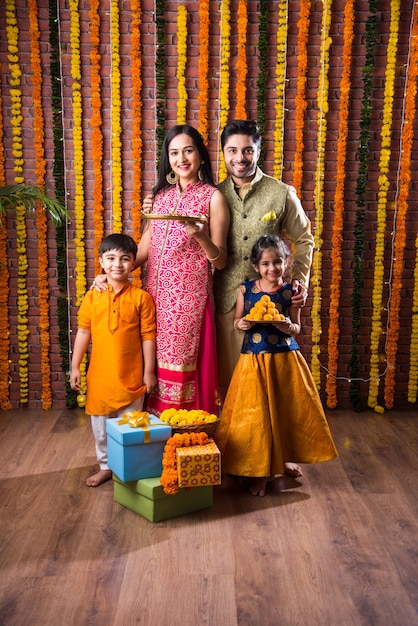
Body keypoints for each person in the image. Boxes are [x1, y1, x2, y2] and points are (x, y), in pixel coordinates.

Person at [95, 125, 230, 416]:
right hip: (152, 300)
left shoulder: (213, 198)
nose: (181, 158)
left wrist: (199, 235)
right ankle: (153, 444)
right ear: (167, 159)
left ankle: (184, 436)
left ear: (201, 156)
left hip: (188, 302)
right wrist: (110, 272)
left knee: (181, 368)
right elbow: (142, 252)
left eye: (188, 150)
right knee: (149, 366)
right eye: (174, 152)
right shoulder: (160, 198)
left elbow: (220, 261)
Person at [216, 234, 338, 497]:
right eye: (266, 264)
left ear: (286, 262)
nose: (272, 269)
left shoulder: (291, 292)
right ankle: (261, 472)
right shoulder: (245, 290)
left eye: (278, 262)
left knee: (284, 412)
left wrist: (287, 326)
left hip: (284, 360)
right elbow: (237, 320)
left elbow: (296, 327)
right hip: (253, 360)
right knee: (256, 416)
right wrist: (242, 324)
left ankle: (281, 461)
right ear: (255, 267)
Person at [213, 120, 315, 396]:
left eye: (247, 150)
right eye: (232, 150)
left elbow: (304, 238)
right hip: (225, 301)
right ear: (223, 153)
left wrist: (299, 283)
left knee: (268, 384)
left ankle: (267, 438)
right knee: (229, 381)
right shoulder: (213, 195)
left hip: (272, 304)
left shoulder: (281, 193)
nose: (239, 158)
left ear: (259, 151)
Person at [70, 234, 157, 487]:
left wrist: (148, 372)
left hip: (132, 376)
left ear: (133, 264)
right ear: (101, 262)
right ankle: (106, 466)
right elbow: (84, 331)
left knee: (130, 427)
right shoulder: (93, 296)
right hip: (100, 376)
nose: (117, 264)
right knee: (101, 428)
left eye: (124, 259)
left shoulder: (142, 298)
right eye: (111, 258)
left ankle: (128, 468)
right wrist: (75, 366)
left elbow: (148, 336)